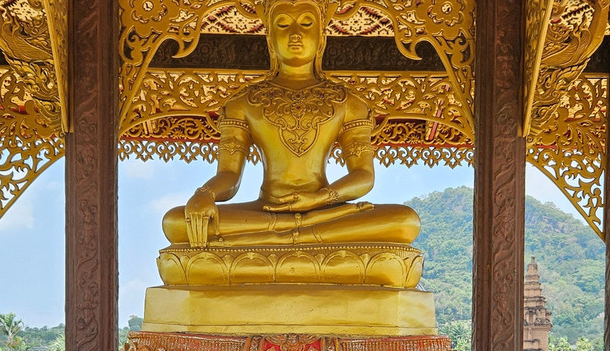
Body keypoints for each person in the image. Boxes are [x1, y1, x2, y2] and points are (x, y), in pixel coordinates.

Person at [161, 0, 420, 248]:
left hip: (324, 210)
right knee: (176, 222)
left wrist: (319, 199)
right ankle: (297, 233)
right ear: (270, 39)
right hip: (265, 211)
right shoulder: (242, 103)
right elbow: (229, 176)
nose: (295, 33)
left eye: (306, 23)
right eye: (283, 25)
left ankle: (282, 237)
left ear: (321, 36)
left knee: (405, 221)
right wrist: (204, 194)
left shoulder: (349, 102)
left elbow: (364, 175)